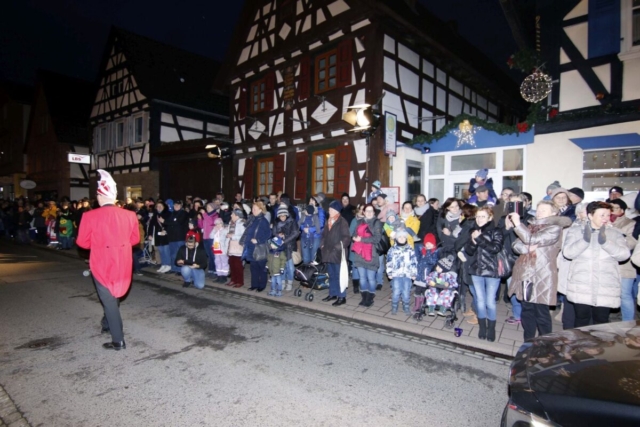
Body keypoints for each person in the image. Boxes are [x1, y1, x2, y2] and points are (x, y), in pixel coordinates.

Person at [76, 170, 139, 351]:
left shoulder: (89, 216)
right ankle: (106, 322)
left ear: (99, 196)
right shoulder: (130, 215)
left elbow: (82, 242)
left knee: (109, 298)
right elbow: (135, 239)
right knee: (113, 294)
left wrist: (99, 243)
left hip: (102, 261)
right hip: (123, 261)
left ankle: (118, 340)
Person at [508, 201, 571, 341]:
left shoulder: (554, 228)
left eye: (544, 210)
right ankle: (528, 340)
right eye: (538, 209)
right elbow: (516, 244)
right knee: (527, 310)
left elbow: (531, 239)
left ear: (554, 213)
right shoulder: (531, 226)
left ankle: (545, 343)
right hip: (526, 273)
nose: (539, 212)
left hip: (543, 274)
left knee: (541, 313)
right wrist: (526, 248)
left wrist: (518, 224)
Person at [563, 201, 630, 327]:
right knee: (581, 319)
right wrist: (584, 241)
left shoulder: (615, 233)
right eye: (602, 215)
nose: (606, 218)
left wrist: (606, 243)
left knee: (601, 320)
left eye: (608, 215)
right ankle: (580, 341)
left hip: (605, 285)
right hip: (581, 284)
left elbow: (624, 255)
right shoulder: (576, 231)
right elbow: (568, 253)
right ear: (590, 215)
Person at [464, 206, 503, 342]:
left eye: (483, 216)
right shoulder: (473, 231)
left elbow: (495, 248)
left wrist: (479, 238)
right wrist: (473, 241)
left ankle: (491, 328)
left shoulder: (496, 231)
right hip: (476, 270)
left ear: (490, 218)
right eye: (478, 216)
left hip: (492, 271)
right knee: (480, 301)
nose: (479, 219)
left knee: (490, 301)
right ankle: (482, 326)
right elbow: (469, 251)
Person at [609, 199, 638, 321]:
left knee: (624, 294)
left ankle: (628, 322)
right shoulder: (603, 221)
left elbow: (632, 242)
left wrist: (613, 230)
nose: (611, 211)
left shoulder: (630, 223)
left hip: (624, 266)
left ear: (622, 210)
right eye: (609, 208)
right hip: (608, 265)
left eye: (614, 208)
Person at [320, 200, 351, 306]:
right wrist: (322, 244)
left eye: (331, 209)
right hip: (328, 252)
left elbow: (347, 238)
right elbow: (323, 235)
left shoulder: (342, 222)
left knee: (339, 276)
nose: (329, 211)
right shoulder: (328, 221)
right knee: (331, 275)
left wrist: (337, 247)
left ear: (336, 211)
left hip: (337, 254)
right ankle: (333, 293)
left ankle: (342, 297)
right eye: (329, 209)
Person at [352, 203, 383, 307]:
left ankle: (370, 298)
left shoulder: (376, 223)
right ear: (363, 212)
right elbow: (354, 234)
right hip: (360, 253)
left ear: (374, 212)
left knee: (371, 278)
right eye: (367, 211)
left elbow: (377, 238)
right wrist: (354, 237)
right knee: (362, 278)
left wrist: (361, 239)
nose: (369, 213)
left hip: (371, 254)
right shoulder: (359, 222)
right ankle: (364, 297)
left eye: (371, 211)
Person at [241, 201, 271, 292]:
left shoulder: (263, 221)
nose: (252, 210)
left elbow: (268, 234)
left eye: (255, 209)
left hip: (259, 248)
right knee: (253, 267)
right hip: (251, 246)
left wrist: (258, 240)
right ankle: (254, 285)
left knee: (261, 267)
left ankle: (262, 285)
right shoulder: (253, 219)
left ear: (260, 210)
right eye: (252, 208)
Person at [386, 228, 417, 315]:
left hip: (407, 275)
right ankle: (394, 306)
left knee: (406, 292)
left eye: (404, 237)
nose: (402, 238)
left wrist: (414, 273)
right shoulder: (392, 249)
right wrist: (389, 272)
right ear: (396, 238)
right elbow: (389, 261)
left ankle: (406, 306)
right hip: (396, 274)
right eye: (400, 237)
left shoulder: (410, 249)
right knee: (396, 291)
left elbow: (414, 262)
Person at [299, 196, 324, 264]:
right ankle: (306, 270)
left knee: (313, 257)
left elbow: (321, 225)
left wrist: (310, 230)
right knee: (305, 257)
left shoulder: (320, 210)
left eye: (313, 200)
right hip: (305, 236)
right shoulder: (306, 210)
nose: (311, 202)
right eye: (310, 200)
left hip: (315, 236)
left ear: (316, 202)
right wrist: (303, 228)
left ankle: (313, 270)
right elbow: (300, 222)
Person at [166, 200, 189, 275]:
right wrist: (171, 222)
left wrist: (169, 222)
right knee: (172, 254)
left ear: (181, 206)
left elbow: (178, 222)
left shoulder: (184, 213)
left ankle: (180, 269)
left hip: (180, 237)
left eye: (178, 205)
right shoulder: (171, 213)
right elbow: (168, 222)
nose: (176, 206)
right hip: (171, 237)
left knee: (180, 254)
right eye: (175, 205)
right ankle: (174, 268)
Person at [149, 201, 172, 273]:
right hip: (158, 236)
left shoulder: (168, 214)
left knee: (166, 251)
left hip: (165, 235)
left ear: (164, 207)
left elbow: (171, 224)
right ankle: (163, 264)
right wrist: (150, 234)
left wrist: (165, 229)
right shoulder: (155, 215)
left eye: (160, 206)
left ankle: (168, 265)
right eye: (157, 206)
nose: (159, 207)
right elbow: (151, 225)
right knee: (161, 251)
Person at [199, 202, 220, 278]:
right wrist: (200, 219)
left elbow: (211, 223)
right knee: (209, 255)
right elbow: (201, 226)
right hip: (205, 237)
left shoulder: (215, 215)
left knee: (213, 255)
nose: (207, 209)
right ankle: (211, 270)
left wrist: (204, 215)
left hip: (212, 238)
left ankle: (215, 271)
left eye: (209, 207)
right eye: (207, 207)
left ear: (213, 208)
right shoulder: (206, 215)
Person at [226, 208, 246, 288]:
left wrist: (232, 236)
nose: (231, 215)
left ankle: (240, 281)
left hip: (238, 246)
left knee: (238, 265)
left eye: (233, 214)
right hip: (231, 246)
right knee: (232, 264)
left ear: (237, 215)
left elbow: (243, 236)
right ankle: (233, 279)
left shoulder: (242, 224)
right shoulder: (231, 223)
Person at [210, 217, 229, 283]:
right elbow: (211, 236)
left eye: (219, 224)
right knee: (217, 262)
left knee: (224, 262)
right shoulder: (215, 231)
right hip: (216, 249)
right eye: (216, 224)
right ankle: (219, 275)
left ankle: (224, 276)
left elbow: (227, 241)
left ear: (222, 224)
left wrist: (226, 249)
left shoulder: (225, 231)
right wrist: (214, 230)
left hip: (223, 249)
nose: (217, 225)